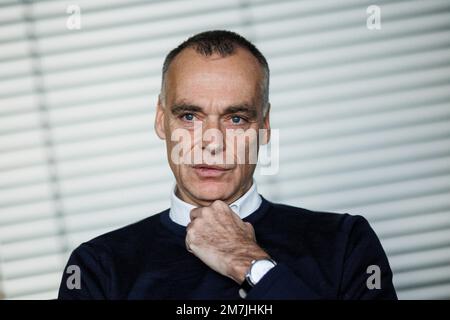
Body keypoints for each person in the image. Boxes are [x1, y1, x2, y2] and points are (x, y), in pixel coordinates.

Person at [58, 30, 397, 300]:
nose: (213, 141)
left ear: (264, 126)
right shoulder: (97, 267)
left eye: (236, 118)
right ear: (162, 121)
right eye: (189, 116)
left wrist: (252, 264)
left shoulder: (346, 243)